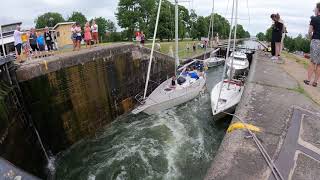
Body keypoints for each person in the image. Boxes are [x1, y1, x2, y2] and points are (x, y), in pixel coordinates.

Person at [304, 2, 320, 87]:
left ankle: (308, 80)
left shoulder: (314, 19)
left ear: (318, 9)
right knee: (319, 64)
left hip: (316, 41)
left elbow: (310, 31)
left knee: (313, 62)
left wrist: (311, 38)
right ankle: (315, 82)